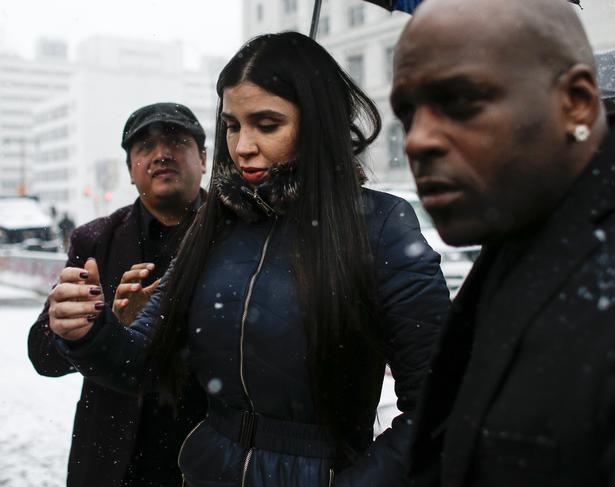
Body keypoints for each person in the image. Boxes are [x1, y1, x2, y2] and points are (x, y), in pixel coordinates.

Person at [45, 32, 451, 486]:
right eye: (233, 125)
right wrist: (88, 335)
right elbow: (142, 361)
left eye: (267, 124)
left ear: (316, 123)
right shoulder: (215, 224)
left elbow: (439, 409)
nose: (242, 147)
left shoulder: (381, 224)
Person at [390, 0, 615, 485]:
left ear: (575, 101)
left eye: (461, 101)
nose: (416, 140)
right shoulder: (521, 220)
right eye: (408, 113)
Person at [28, 102, 208, 487]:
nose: (161, 154)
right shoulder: (94, 240)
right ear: (129, 170)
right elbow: (42, 354)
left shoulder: (237, 234)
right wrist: (97, 327)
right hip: (110, 458)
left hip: (205, 454)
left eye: (176, 140)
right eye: (144, 146)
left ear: (204, 158)